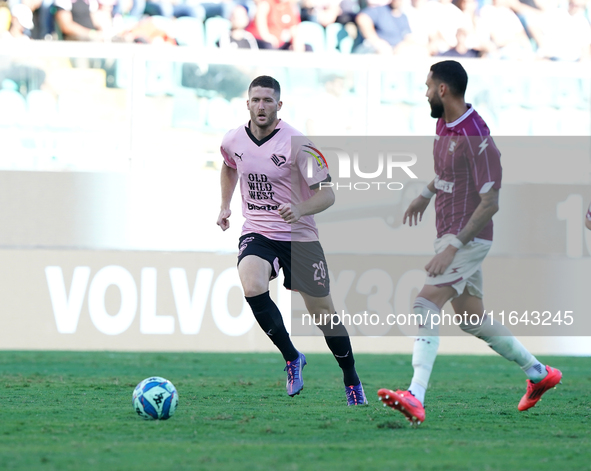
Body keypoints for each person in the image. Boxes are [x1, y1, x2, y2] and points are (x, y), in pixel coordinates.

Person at [377, 60, 562, 425]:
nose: (425, 92)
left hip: (468, 237)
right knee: (471, 317)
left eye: (428, 86)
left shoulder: (478, 138)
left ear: (443, 89)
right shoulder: (443, 123)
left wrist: (453, 247)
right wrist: (426, 194)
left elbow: (491, 202)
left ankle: (415, 395)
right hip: (447, 230)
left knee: (424, 303)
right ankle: (539, 373)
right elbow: (448, 170)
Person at [217, 75, 367, 405]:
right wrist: (226, 205)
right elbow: (229, 166)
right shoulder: (233, 140)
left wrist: (299, 209)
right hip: (258, 230)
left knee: (323, 315)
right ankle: (291, 357)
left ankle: (351, 379)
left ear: (279, 106)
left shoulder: (298, 143)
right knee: (251, 282)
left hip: (299, 237)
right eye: (255, 100)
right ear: (247, 103)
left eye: (267, 100)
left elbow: (327, 195)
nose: (261, 106)